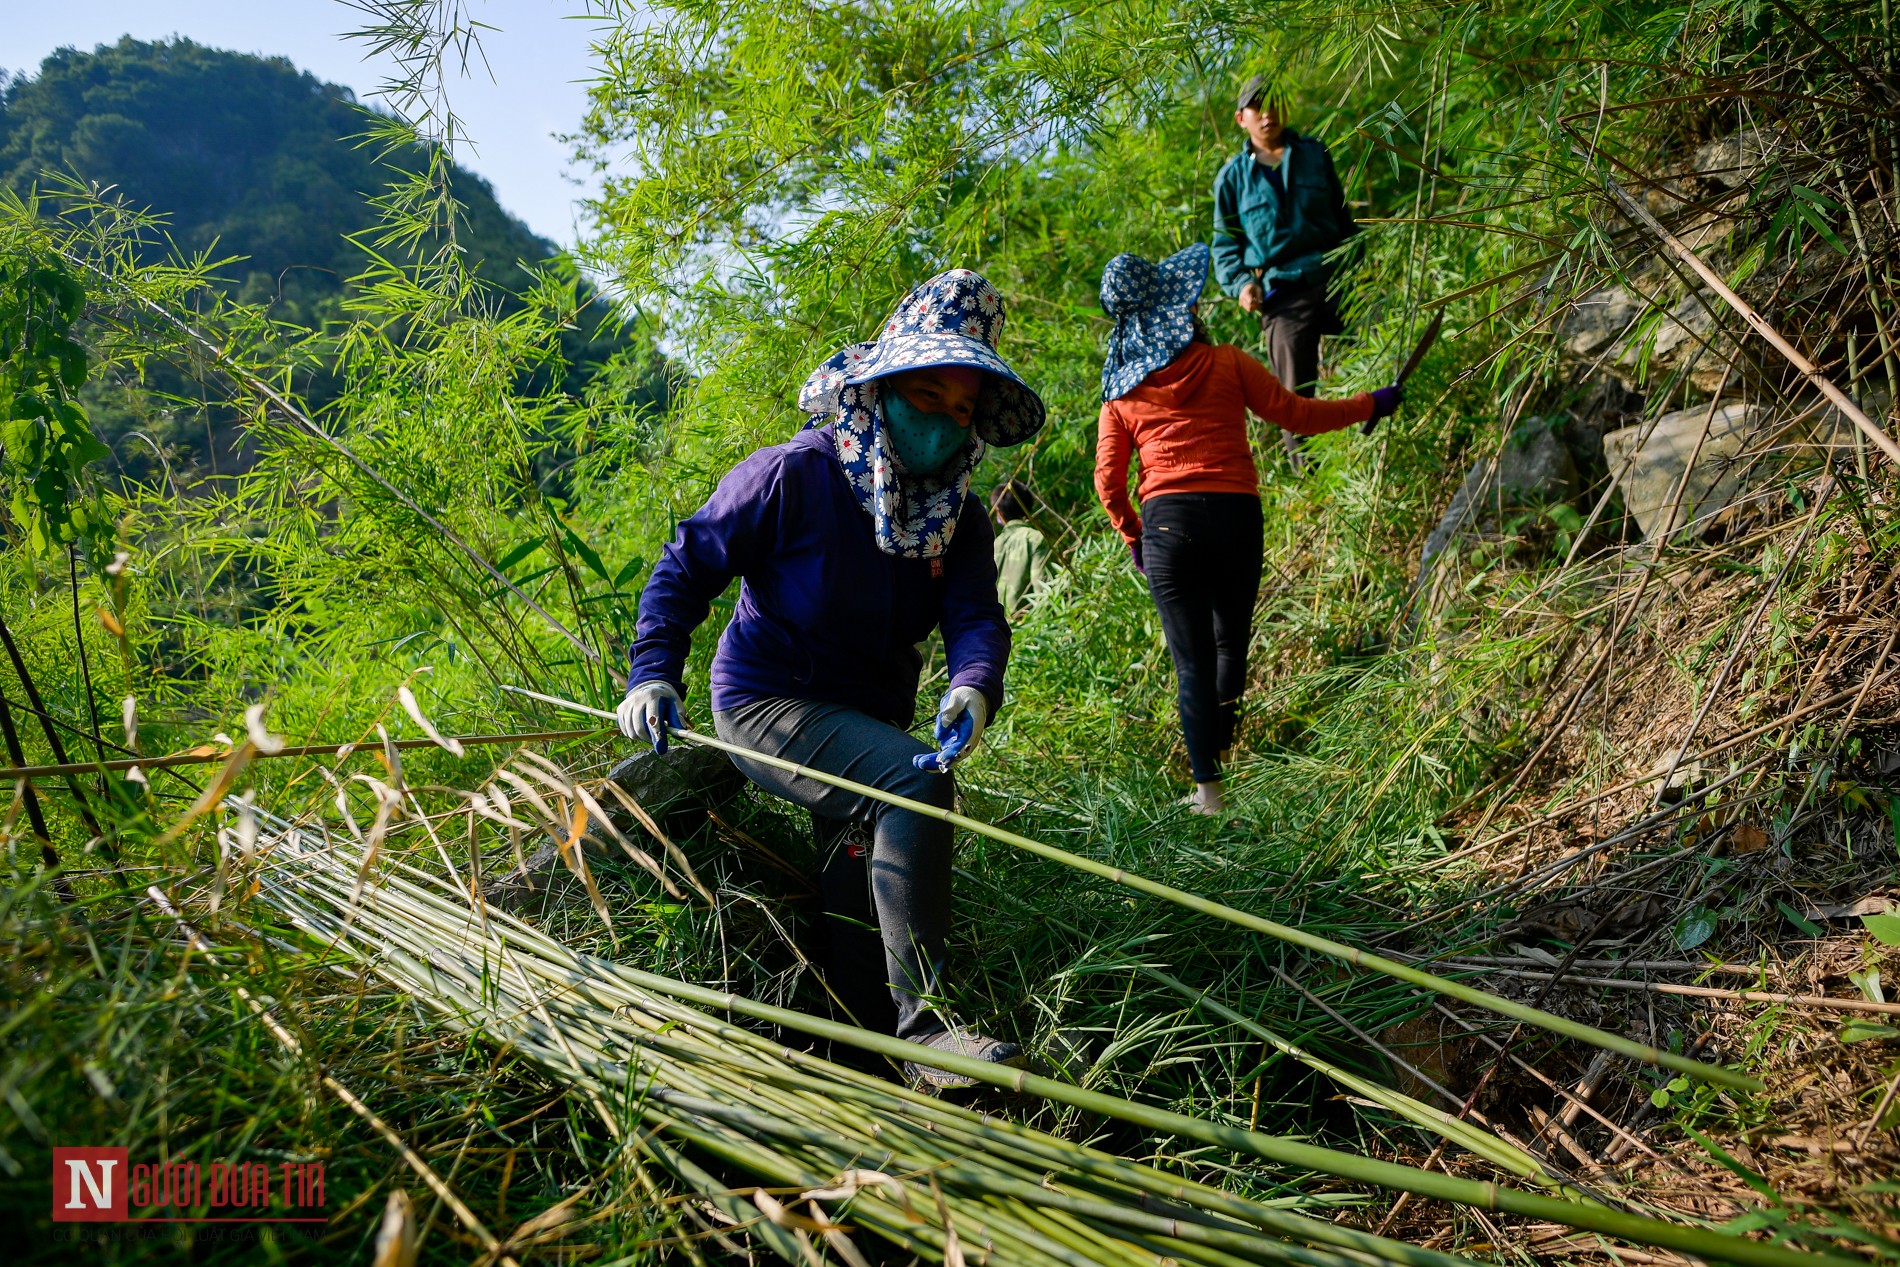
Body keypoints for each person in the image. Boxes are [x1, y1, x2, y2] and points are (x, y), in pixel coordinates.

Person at [618, 269, 1045, 1088]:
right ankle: (929, 1033)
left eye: (962, 411)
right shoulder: (795, 474)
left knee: (858, 897)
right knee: (913, 788)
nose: (944, 422)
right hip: (767, 700)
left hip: (866, 713)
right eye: (929, 395)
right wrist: (651, 674)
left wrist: (974, 686)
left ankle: (864, 1067)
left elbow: (976, 617)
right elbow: (687, 564)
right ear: (881, 388)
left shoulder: (957, 513)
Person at [1094, 243, 1400, 817]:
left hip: (1169, 524)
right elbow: (1297, 415)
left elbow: (1108, 483)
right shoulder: (1229, 362)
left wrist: (1134, 535)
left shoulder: (1121, 396)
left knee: (1192, 661)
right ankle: (1223, 759)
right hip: (1237, 514)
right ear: (1180, 307)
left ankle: (1209, 794)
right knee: (1230, 642)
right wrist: (1370, 403)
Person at [1212, 76, 1360, 470]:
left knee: (1378, 345)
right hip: (1283, 291)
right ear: (1241, 118)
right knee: (1294, 396)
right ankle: (1309, 477)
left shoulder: (1314, 154)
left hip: (1336, 275)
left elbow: (1343, 217)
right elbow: (1225, 247)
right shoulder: (1232, 179)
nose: (1268, 114)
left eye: (1274, 104)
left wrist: (1368, 266)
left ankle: (1375, 446)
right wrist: (1243, 285)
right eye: (1257, 108)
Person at [989, 479, 1050, 616]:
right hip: (1026, 628)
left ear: (999, 512)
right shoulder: (1035, 539)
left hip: (995, 631)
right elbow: (1043, 590)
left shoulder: (991, 546)